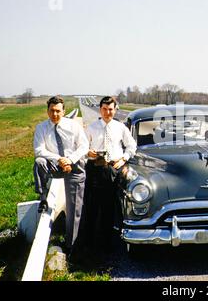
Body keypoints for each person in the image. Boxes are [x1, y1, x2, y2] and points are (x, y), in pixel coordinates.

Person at [33, 96, 89, 256]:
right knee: (39, 161)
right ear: (47, 111)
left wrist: (70, 160)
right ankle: (43, 198)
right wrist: (59, 159)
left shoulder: (73, 126)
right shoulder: (41, 128)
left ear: (64, 111)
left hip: (74, 165)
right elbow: (39, 149)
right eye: (52, 111)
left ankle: (72, 245)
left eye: (58, 111)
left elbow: (84, 146)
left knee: (74, 207)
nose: (55, 114)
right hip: (55, 164)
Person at [83, 96, 136, 257]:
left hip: (114, 169)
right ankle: (91, 244)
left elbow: (132, 146)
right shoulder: (91, 128)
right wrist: (88, 152)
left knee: (110, 207)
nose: (108, 112)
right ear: (100, 109)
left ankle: (108, 244)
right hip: (95, 169)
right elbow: (83, 147)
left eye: (111, 109)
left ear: (115, 110)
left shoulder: (120, 128)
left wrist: (124, 159)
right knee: (93, 207)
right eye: (105, 109)